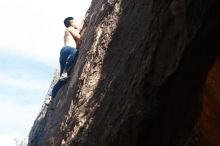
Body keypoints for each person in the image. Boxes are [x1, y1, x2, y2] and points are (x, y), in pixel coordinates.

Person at [45, 17, 83, 107]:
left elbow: (77, 29)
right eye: (75, 21)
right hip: (69, 50)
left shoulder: (67, 31)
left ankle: (50, 98)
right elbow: (78, 36)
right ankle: (65, 72)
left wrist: (82, 23)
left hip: (63, 52)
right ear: (71, 23)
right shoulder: (69, 29)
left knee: (62, 81)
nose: (76, 23)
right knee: (75, 51)